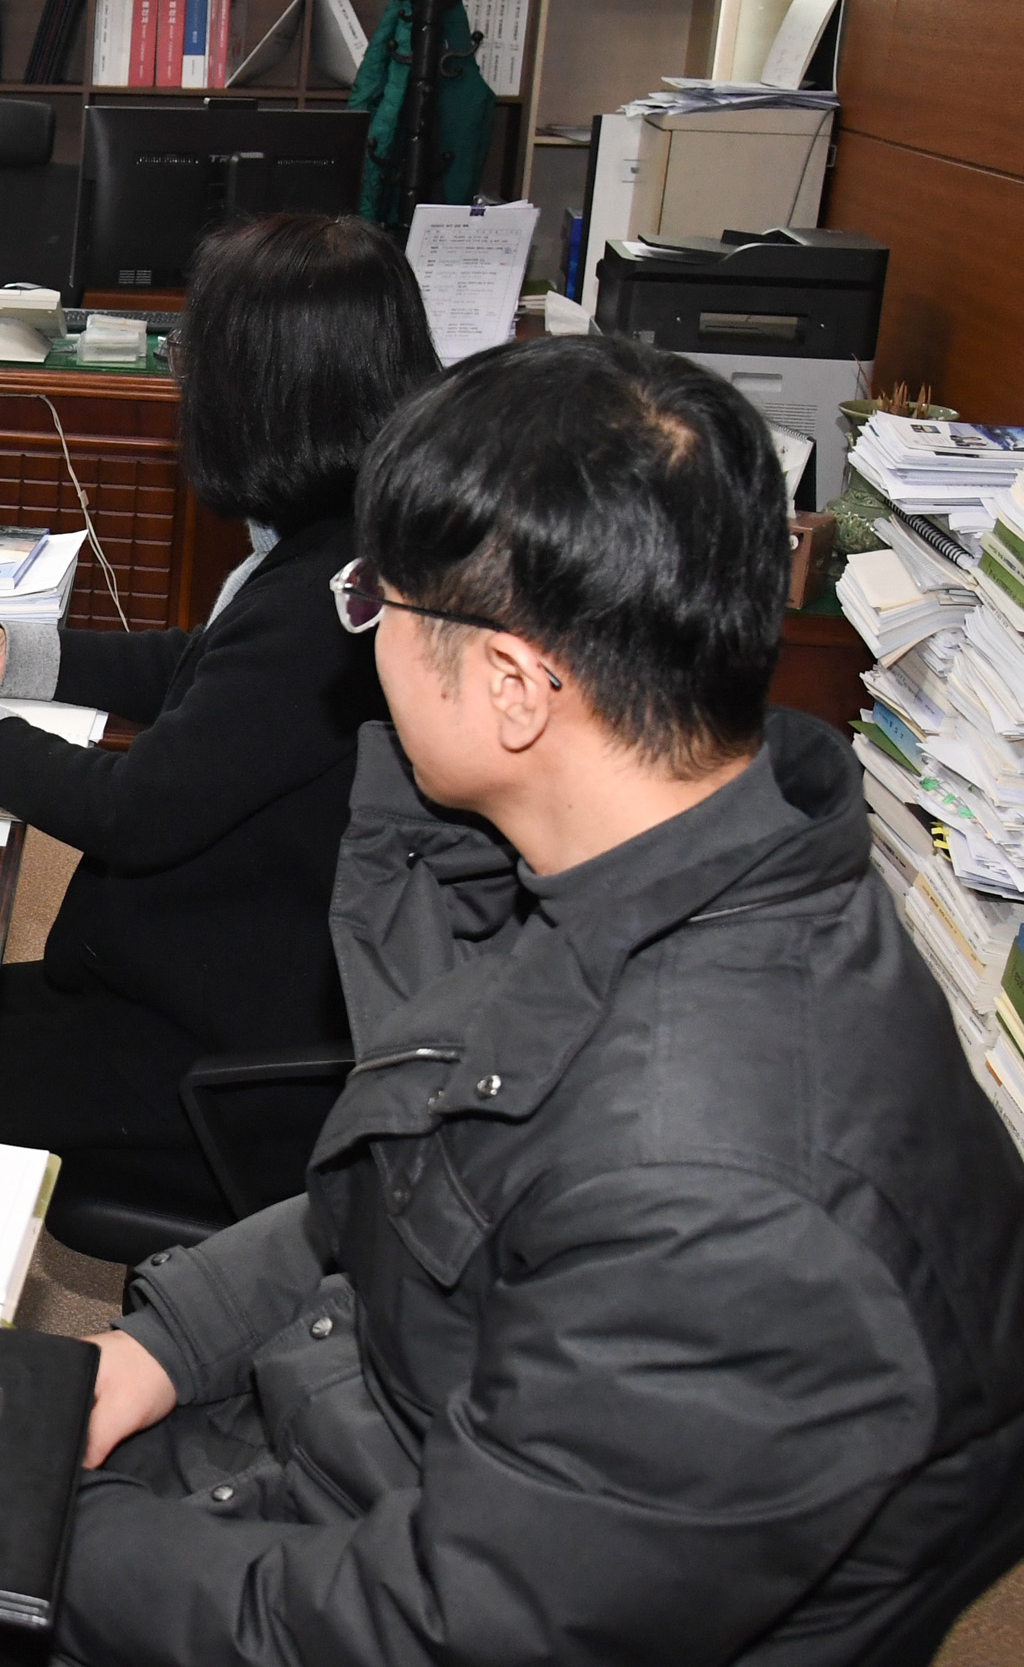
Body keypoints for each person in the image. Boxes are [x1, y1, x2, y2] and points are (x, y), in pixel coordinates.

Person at [58, 336, 1024, 1664]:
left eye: (376, 599)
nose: (363, 631)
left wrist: (49, 1540)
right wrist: (166, 1343)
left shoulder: (730, 1209)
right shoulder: (664, 856)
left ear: (514, 686)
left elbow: (429, 1632)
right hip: (350, 1450)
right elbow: (394, 1198)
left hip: (383, 1585)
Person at [0, 215, 437, 1247]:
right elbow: (216, 666)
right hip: (241, 978)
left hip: (220, 1055)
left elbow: (133, 811)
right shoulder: (357, 533)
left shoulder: (333, 596)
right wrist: (23, 659)